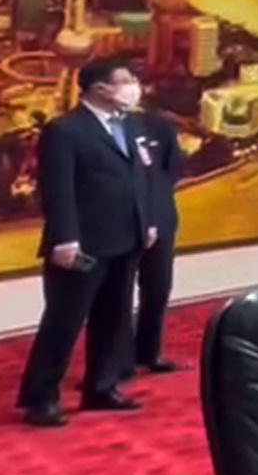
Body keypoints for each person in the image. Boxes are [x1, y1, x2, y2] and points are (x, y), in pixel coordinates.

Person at [16, 55, 159, 427]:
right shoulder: (65, 131)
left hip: (126, 238)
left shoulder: (129, 124)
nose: (134, 87)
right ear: (100, 88)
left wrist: (147, 222)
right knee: (64, 321)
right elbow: (57, 190)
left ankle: (101, 387)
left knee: (113, 317)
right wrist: (65, 238)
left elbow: (139, 178)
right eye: (125, 80)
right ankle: (41, 398)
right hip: (82, 244)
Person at [128, 103, 186, 377]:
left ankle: (148, 352)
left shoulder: (159, 125)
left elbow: (172, 170)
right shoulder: (103, 129)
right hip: (120, 220)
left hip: (160, 214)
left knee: (158, 288)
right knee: (115, 295)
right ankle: (113, 360)